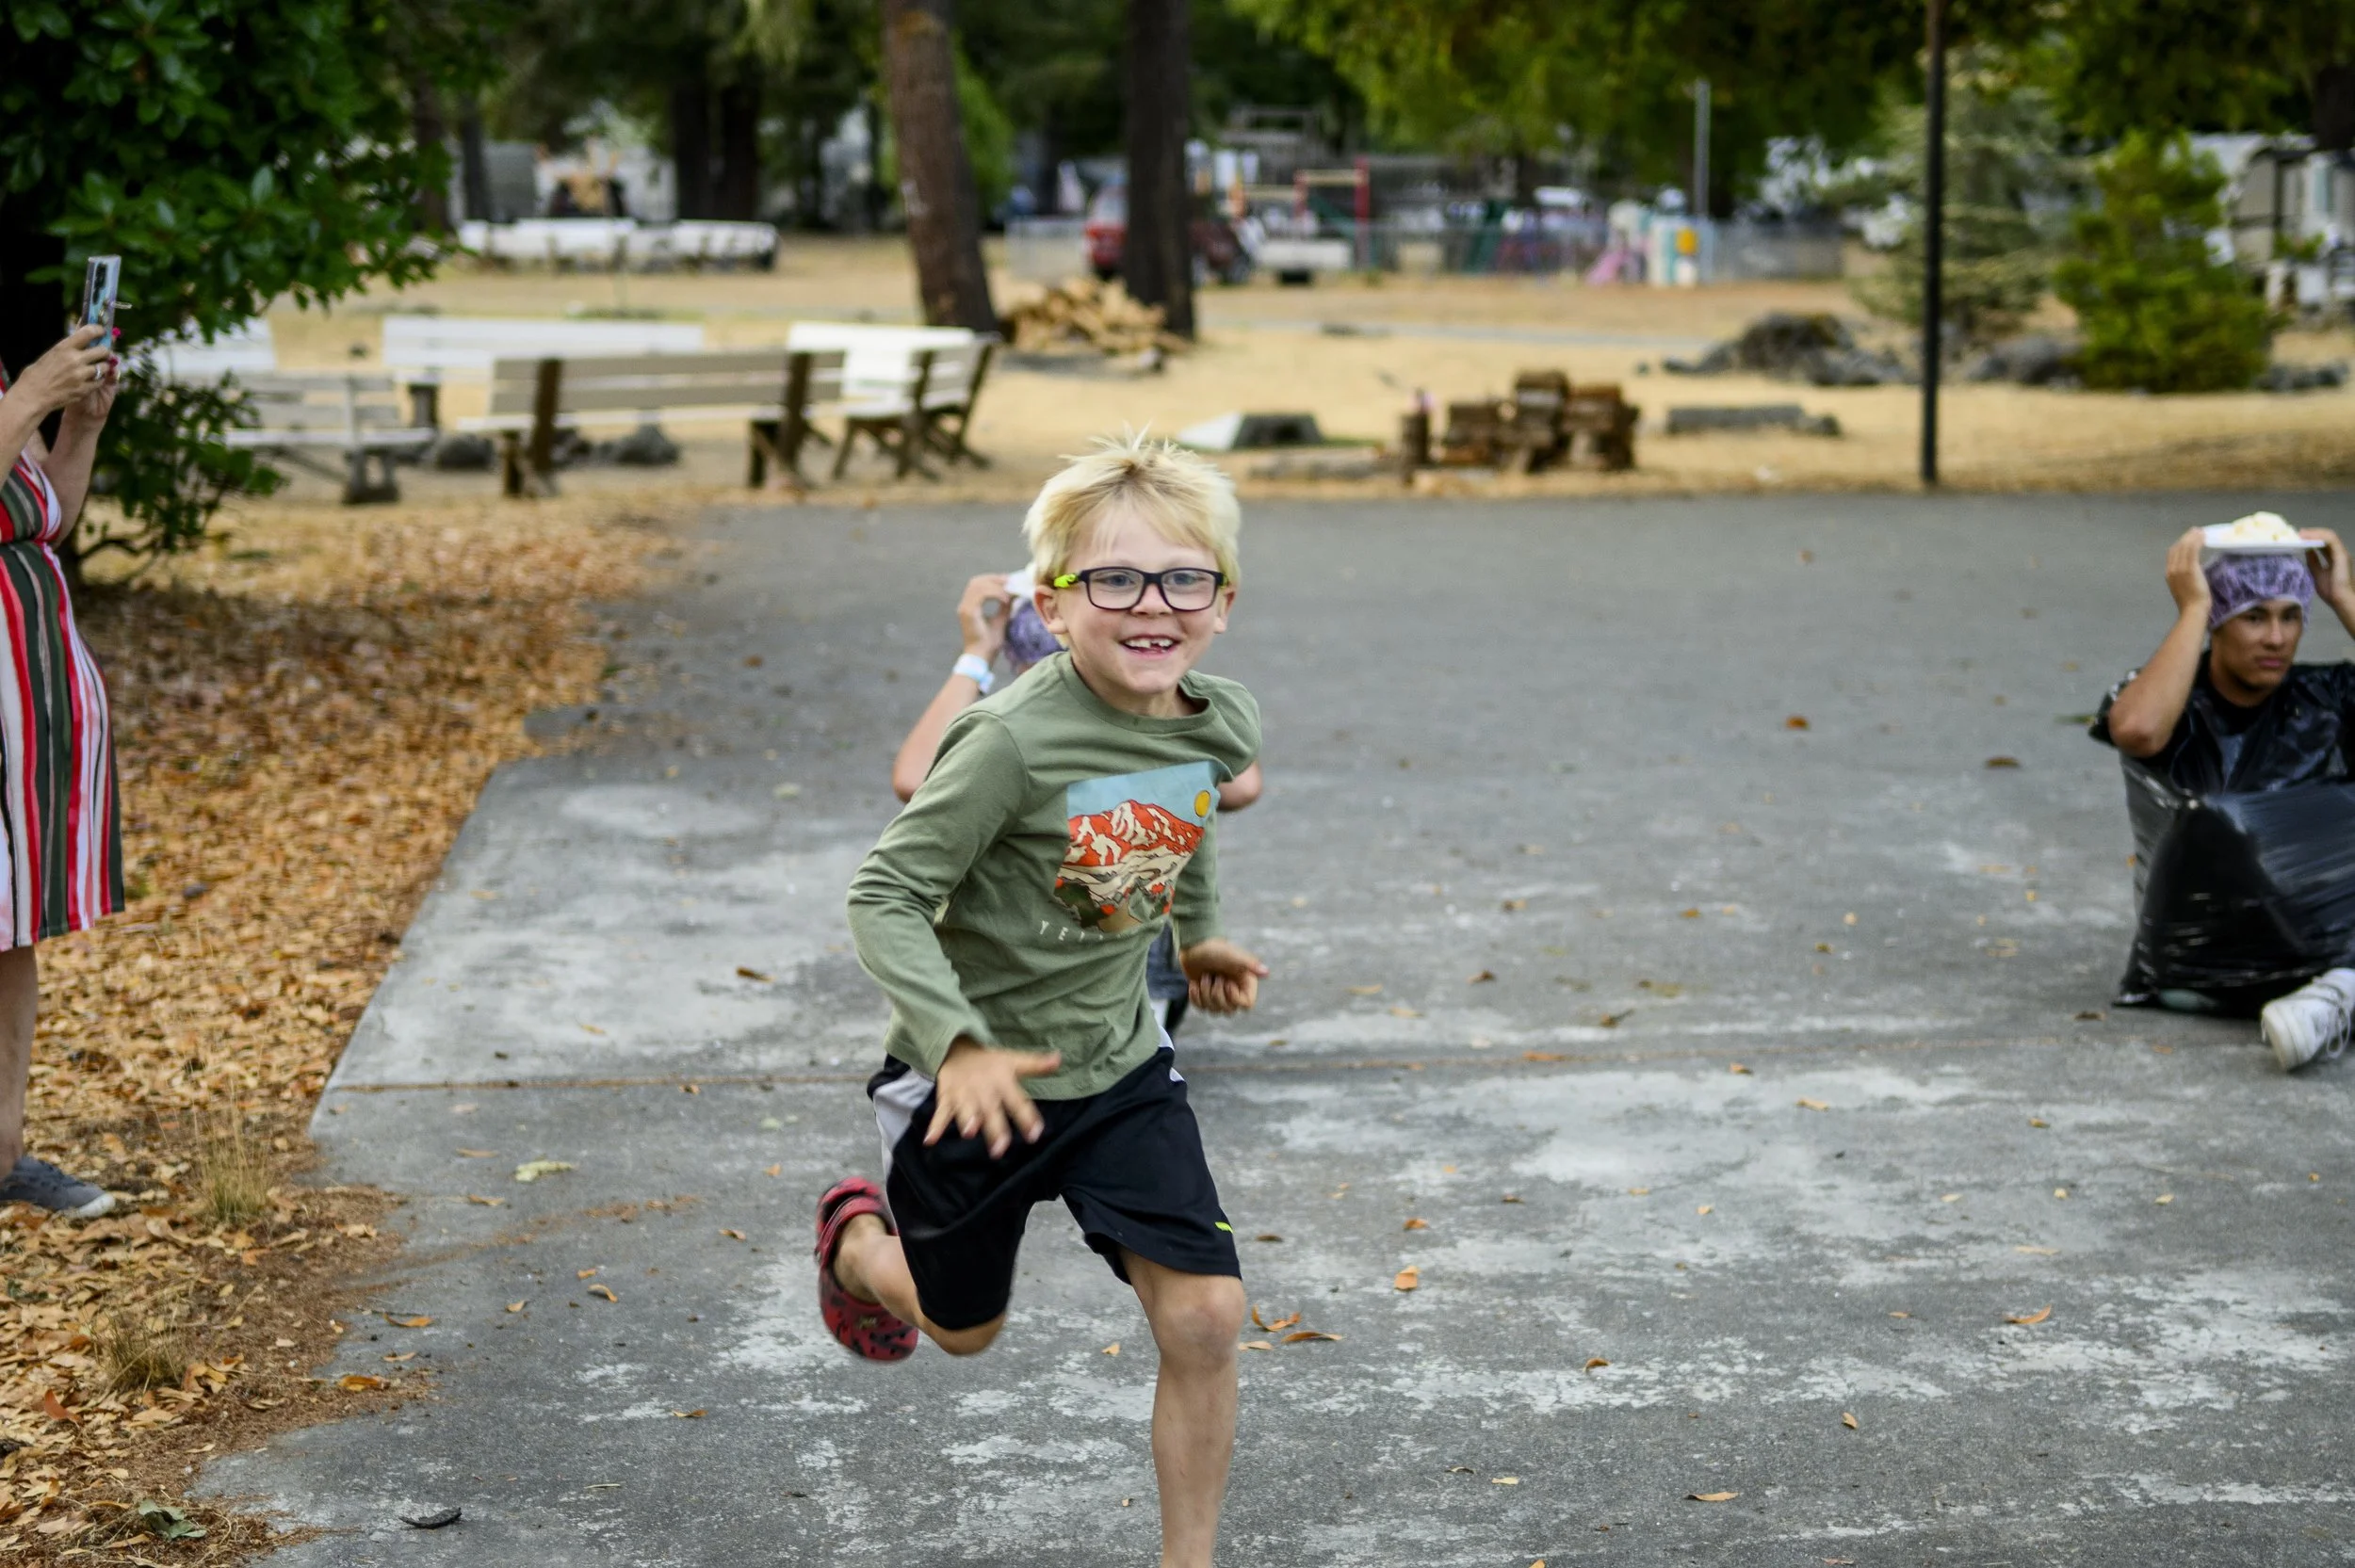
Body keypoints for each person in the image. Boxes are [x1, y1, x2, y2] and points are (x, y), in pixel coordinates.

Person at [818, 435, 1269, 1568]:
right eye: (1115, 580)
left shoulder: (1217, 718)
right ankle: (855, 1246)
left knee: (1207, 1315)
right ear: (1055, 605)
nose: (1152, 605)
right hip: (974, 1088)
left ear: (1222, 601)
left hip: (1119, 1067)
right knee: (964, 1332)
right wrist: (957, 1043)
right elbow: (884, 893)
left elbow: (1190, 809)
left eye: (1183, 579)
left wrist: (1198, 929)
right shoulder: (1009, 741)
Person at [889, 565, 1262, 1033]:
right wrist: (975, 653)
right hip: (1028, 982)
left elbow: (1240, 782)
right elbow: (914, 778)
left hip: (1130, 975)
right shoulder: (1016, 735)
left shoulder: (1151, 720)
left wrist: (1160, 685)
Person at [2093, 525, 2355, 1070]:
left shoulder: (2324, 697)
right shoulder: (2168, 702)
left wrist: (2344, 599)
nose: (2276, 639)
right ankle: (2339, 991)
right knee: (2219, 821)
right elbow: (2137, 731)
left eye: (2291, 616)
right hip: (2199, 960)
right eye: (2254, 616)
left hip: (2310, 943)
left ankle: (2332, 995)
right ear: (2219, 621)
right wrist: (2193, 609)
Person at [0, 322, 127, 1217]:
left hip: (29, 679)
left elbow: (49, 514)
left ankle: (2, 1154)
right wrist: (32, 397)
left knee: (8, 927)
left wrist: (76, 428)